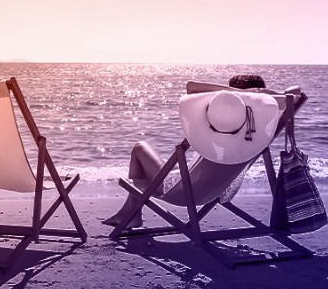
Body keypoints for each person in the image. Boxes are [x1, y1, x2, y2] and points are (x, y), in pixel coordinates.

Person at [103, 75, 305, 228]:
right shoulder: (258, 133)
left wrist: (238, 95)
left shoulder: (219, 128)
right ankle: (130, 213)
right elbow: (295, 92)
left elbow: (191, 86)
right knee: (155, 163)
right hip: (216, 189)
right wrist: (260, 96)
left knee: (139, 147)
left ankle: (131, 214)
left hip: (185, 192)